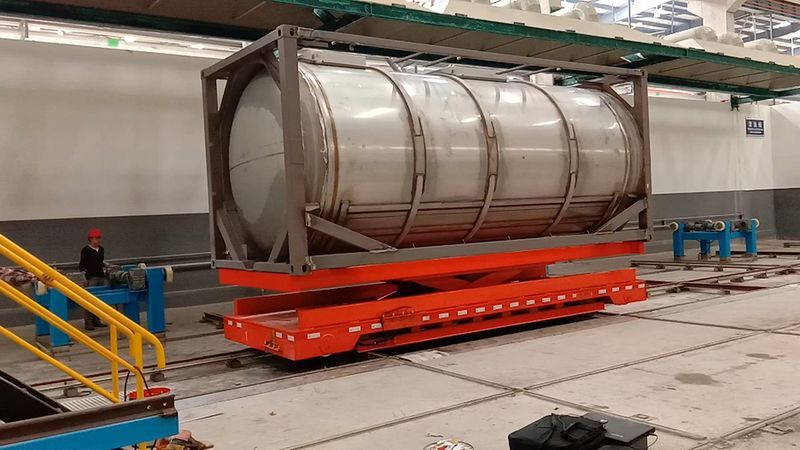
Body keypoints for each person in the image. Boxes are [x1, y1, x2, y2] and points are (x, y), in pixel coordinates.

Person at [79, 228, 107, 330]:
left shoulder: (101, 249)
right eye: (96, 238)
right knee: (89, 299)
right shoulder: (85, 250)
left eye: (99, 238)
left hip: (100, 276)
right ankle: (88, 321)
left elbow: (101, 262)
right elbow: (82, 265)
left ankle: (96, 319)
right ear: (91, 239)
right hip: (91, 277)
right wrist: (84, 277)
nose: (98, 240)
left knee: (98, 299)